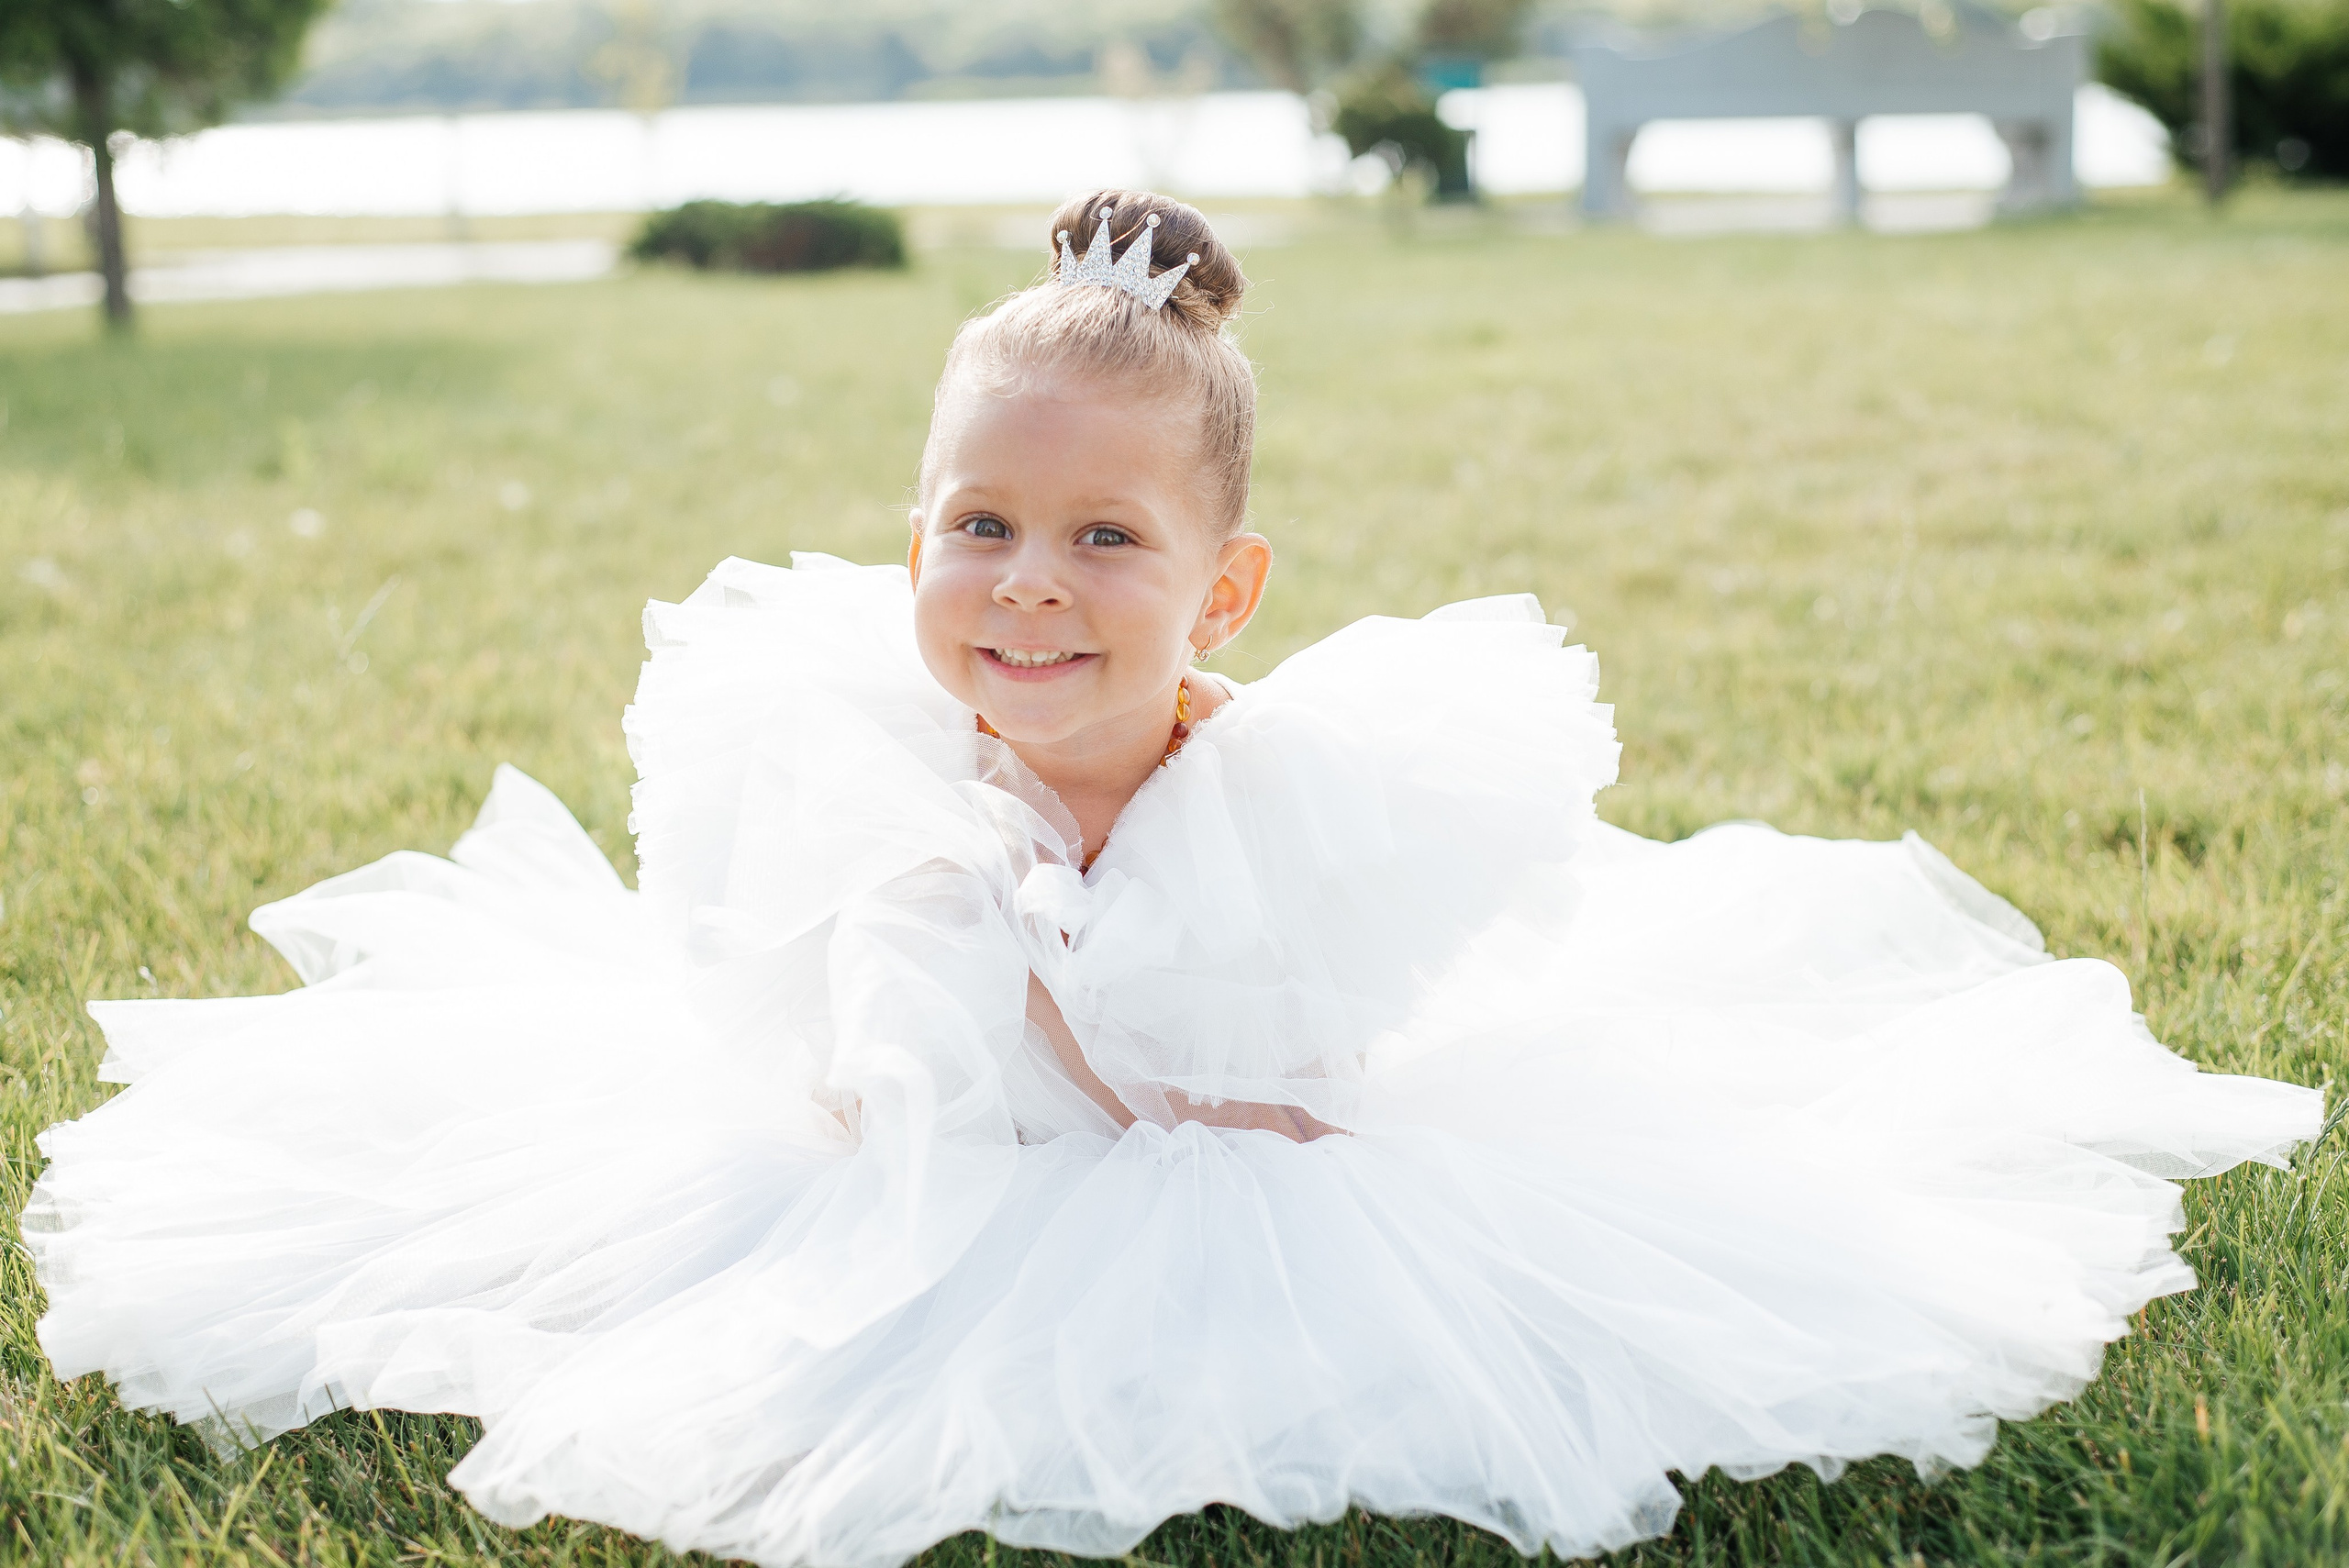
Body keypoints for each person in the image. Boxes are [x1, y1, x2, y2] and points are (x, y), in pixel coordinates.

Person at [25, 190, 2322, 1568]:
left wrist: (1159, 1066)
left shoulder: (1300, 795)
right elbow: (804, 1047)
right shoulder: (842, 752)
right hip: (931, 1123)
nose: (1026, 585)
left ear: (1221, 592)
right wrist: (921, 971)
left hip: (1212, 1112)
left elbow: (1279, 1066)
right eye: (978, 526)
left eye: (1104, 539)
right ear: (911, 540)